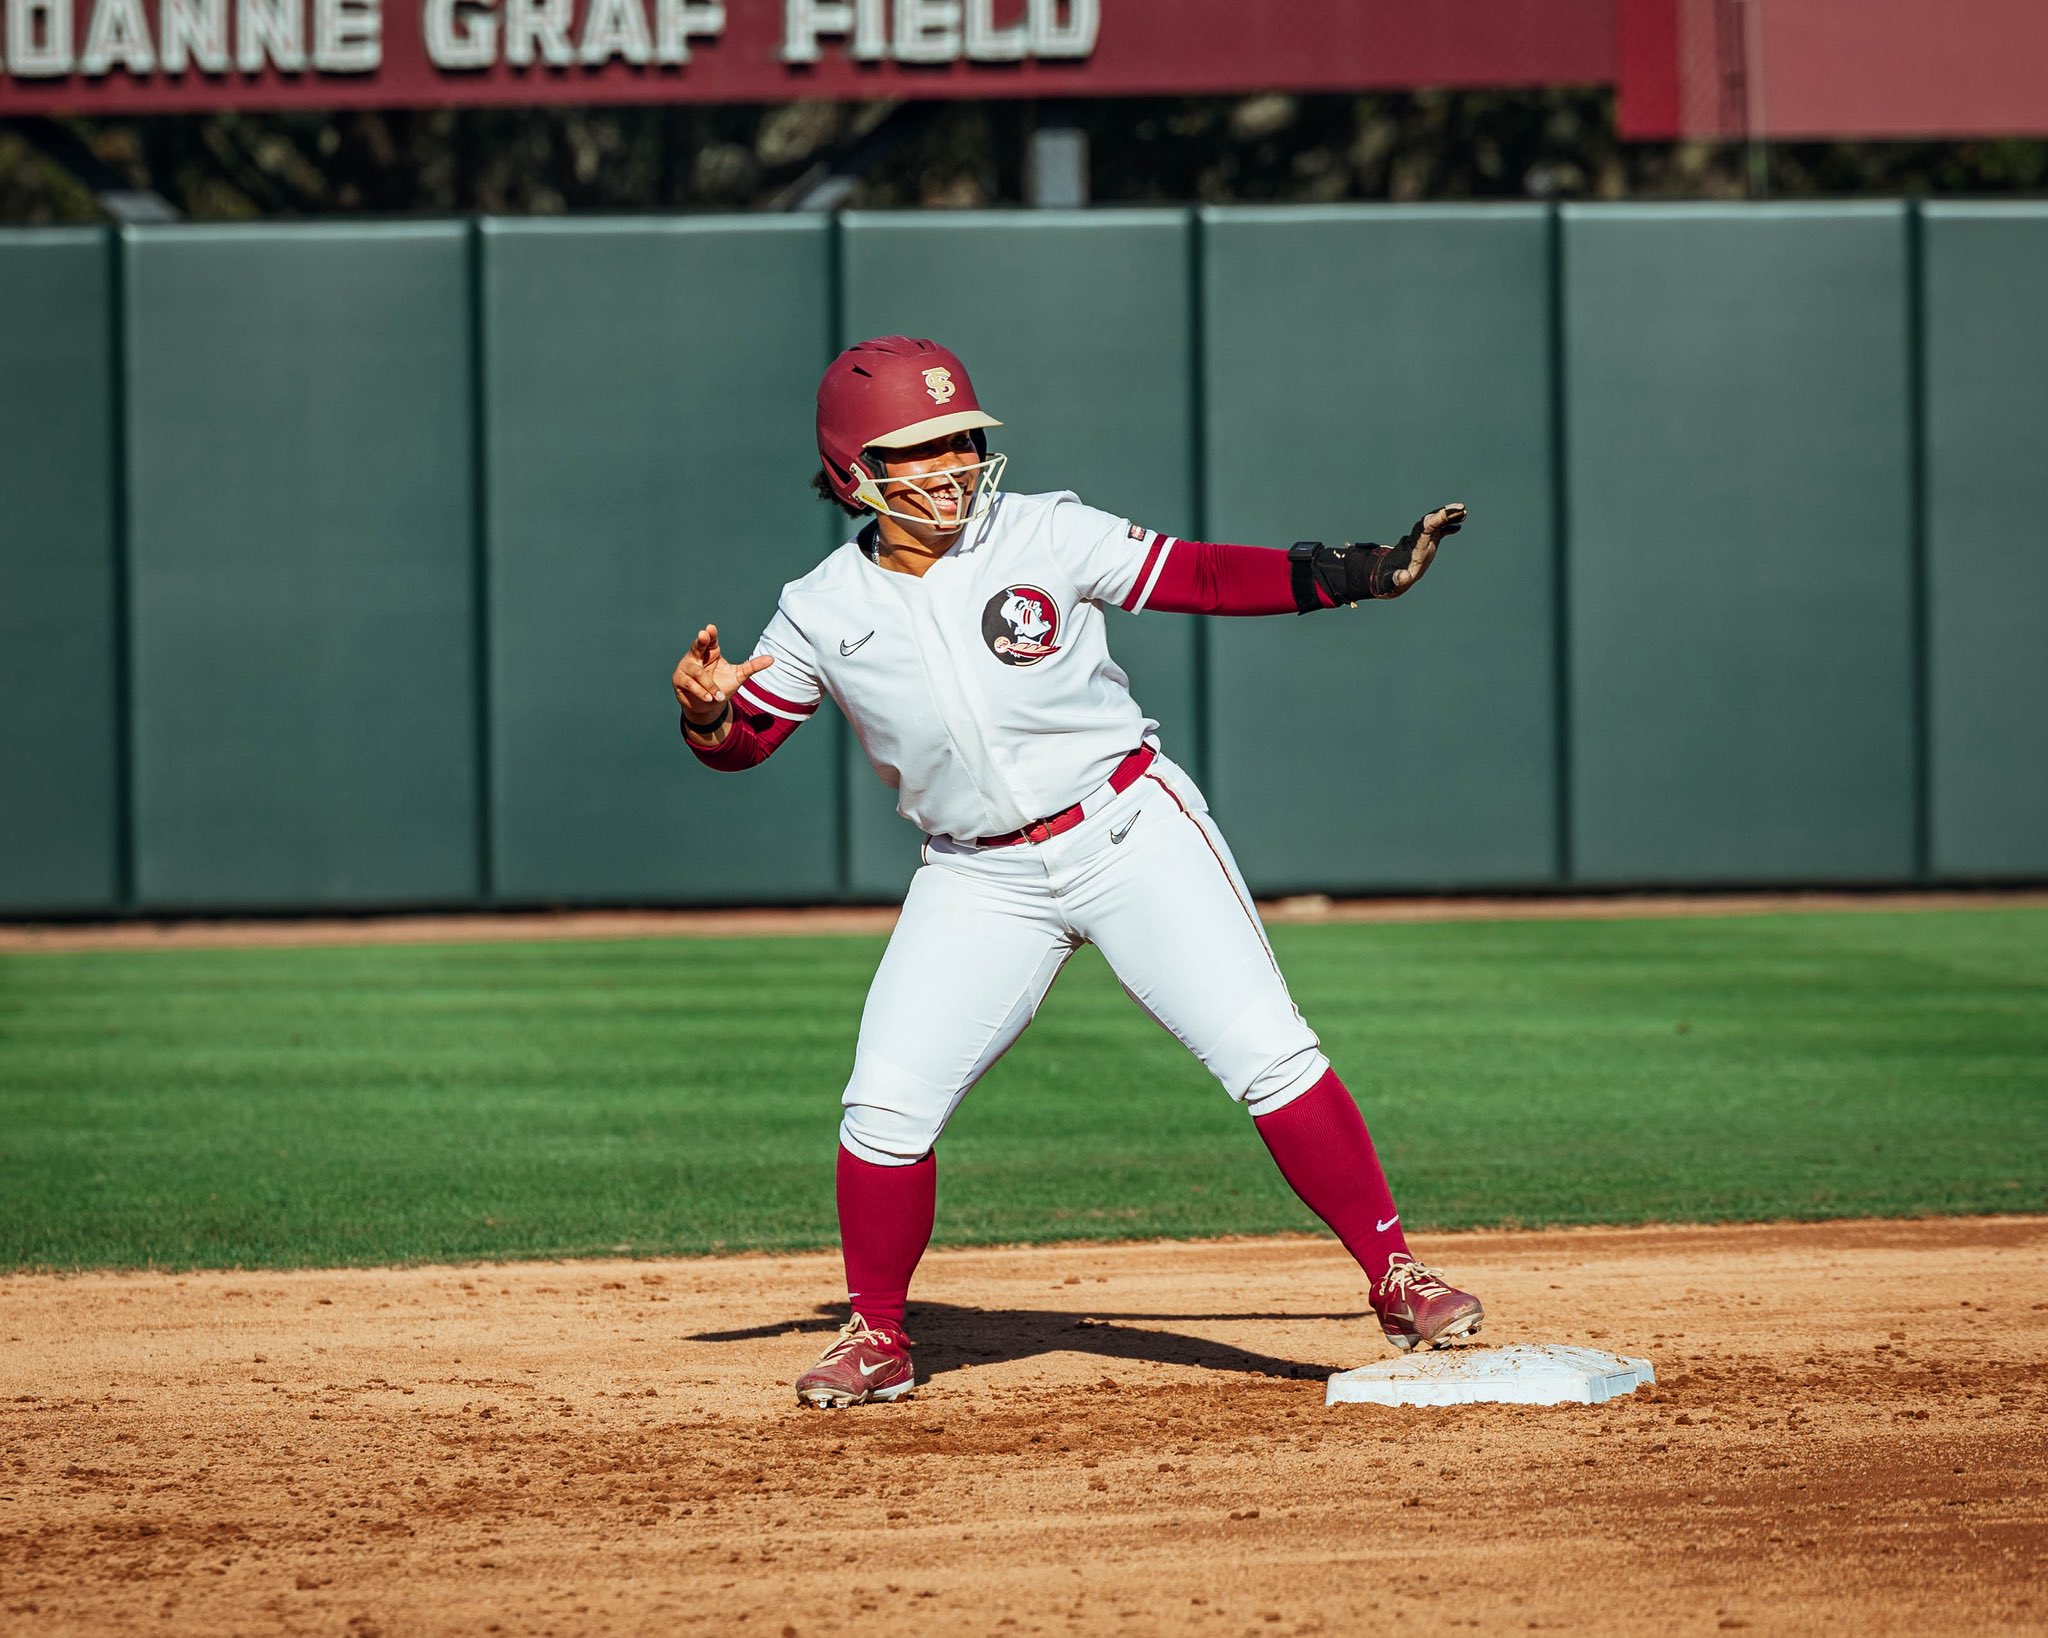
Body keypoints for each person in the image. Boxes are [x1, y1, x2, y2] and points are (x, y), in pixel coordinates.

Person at [672, 336, 1482, 1409]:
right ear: (849, 471)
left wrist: (1347, 575)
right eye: (919, 449)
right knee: (883, 1107)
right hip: (976, 878)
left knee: (1265, 1051)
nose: (952, 463)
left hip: (1124, 829)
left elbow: (1192, 572)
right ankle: (875, 1335)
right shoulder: (821, 607)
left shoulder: (1040, 529)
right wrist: (707, 714)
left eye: (961, 438)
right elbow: (744, 741)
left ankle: (1395, 1274)